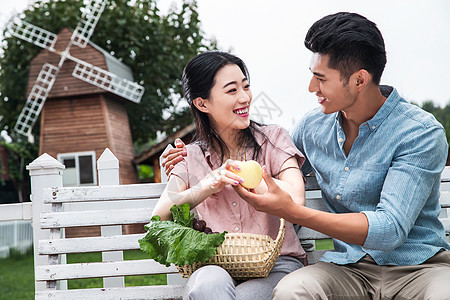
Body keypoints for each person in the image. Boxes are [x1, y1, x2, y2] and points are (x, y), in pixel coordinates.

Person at [163, 13, 450, 299]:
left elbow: (389, 230)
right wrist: (185, 155)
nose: (311, 88)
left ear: (360, 79)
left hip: (420, 269)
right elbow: (265, 152)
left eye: (321, 78)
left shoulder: (420, 132)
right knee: (292, 290)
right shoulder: (313, 128)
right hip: (350, 270)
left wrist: (291, 211)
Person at [153, 51, 307, 300]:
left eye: (246, 87)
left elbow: (296, 197)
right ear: (202, 104)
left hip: (277, 265)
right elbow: (161, 213)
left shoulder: (274, 139)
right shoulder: (190, 156)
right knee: (207, 285)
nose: (244, 97)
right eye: (232, 90)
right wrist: (207, 184)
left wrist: (252, 177)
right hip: (215, 264)